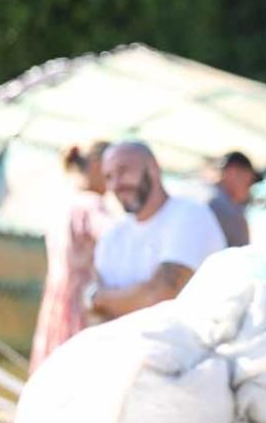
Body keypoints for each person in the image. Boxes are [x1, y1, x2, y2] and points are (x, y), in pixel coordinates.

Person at [87, 141, 226, 321]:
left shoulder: (190, 214)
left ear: (153, 168)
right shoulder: (112, 236)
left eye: (123, 171)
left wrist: (101, 297)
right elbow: (96, 315)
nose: (116, 184)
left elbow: (161, 295)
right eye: (108, 177)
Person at [30, 141, 112, 373]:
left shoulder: (62, 203)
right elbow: (116, 242)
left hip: (58, 298)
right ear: (97, 166)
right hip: (85, 302)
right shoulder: (92, 205)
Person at [206, 151, 259, 247]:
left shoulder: (206, 197)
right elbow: (241, 256)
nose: (250, 187)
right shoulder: (223, 207)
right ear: (232, 172)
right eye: (251, 181)